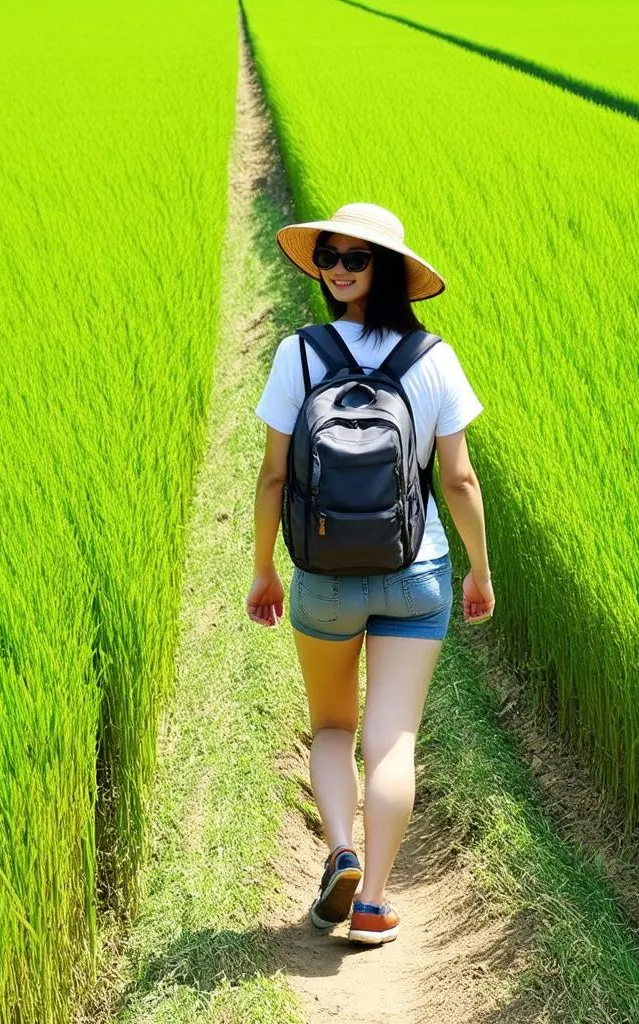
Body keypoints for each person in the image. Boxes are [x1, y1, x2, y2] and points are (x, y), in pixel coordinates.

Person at [246, 202, 495, 945]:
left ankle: (341, 853)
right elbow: (459, 481)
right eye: (332, 255)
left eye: (355, 257)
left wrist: (264, 569)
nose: (341, 267)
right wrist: (479, 570)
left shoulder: (299, 354)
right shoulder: (434, 357)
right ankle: (376, 901)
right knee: (392, 739)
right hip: (415, 572)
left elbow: (271, 478)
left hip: (322, 574)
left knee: (330, 726)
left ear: (379, 269)